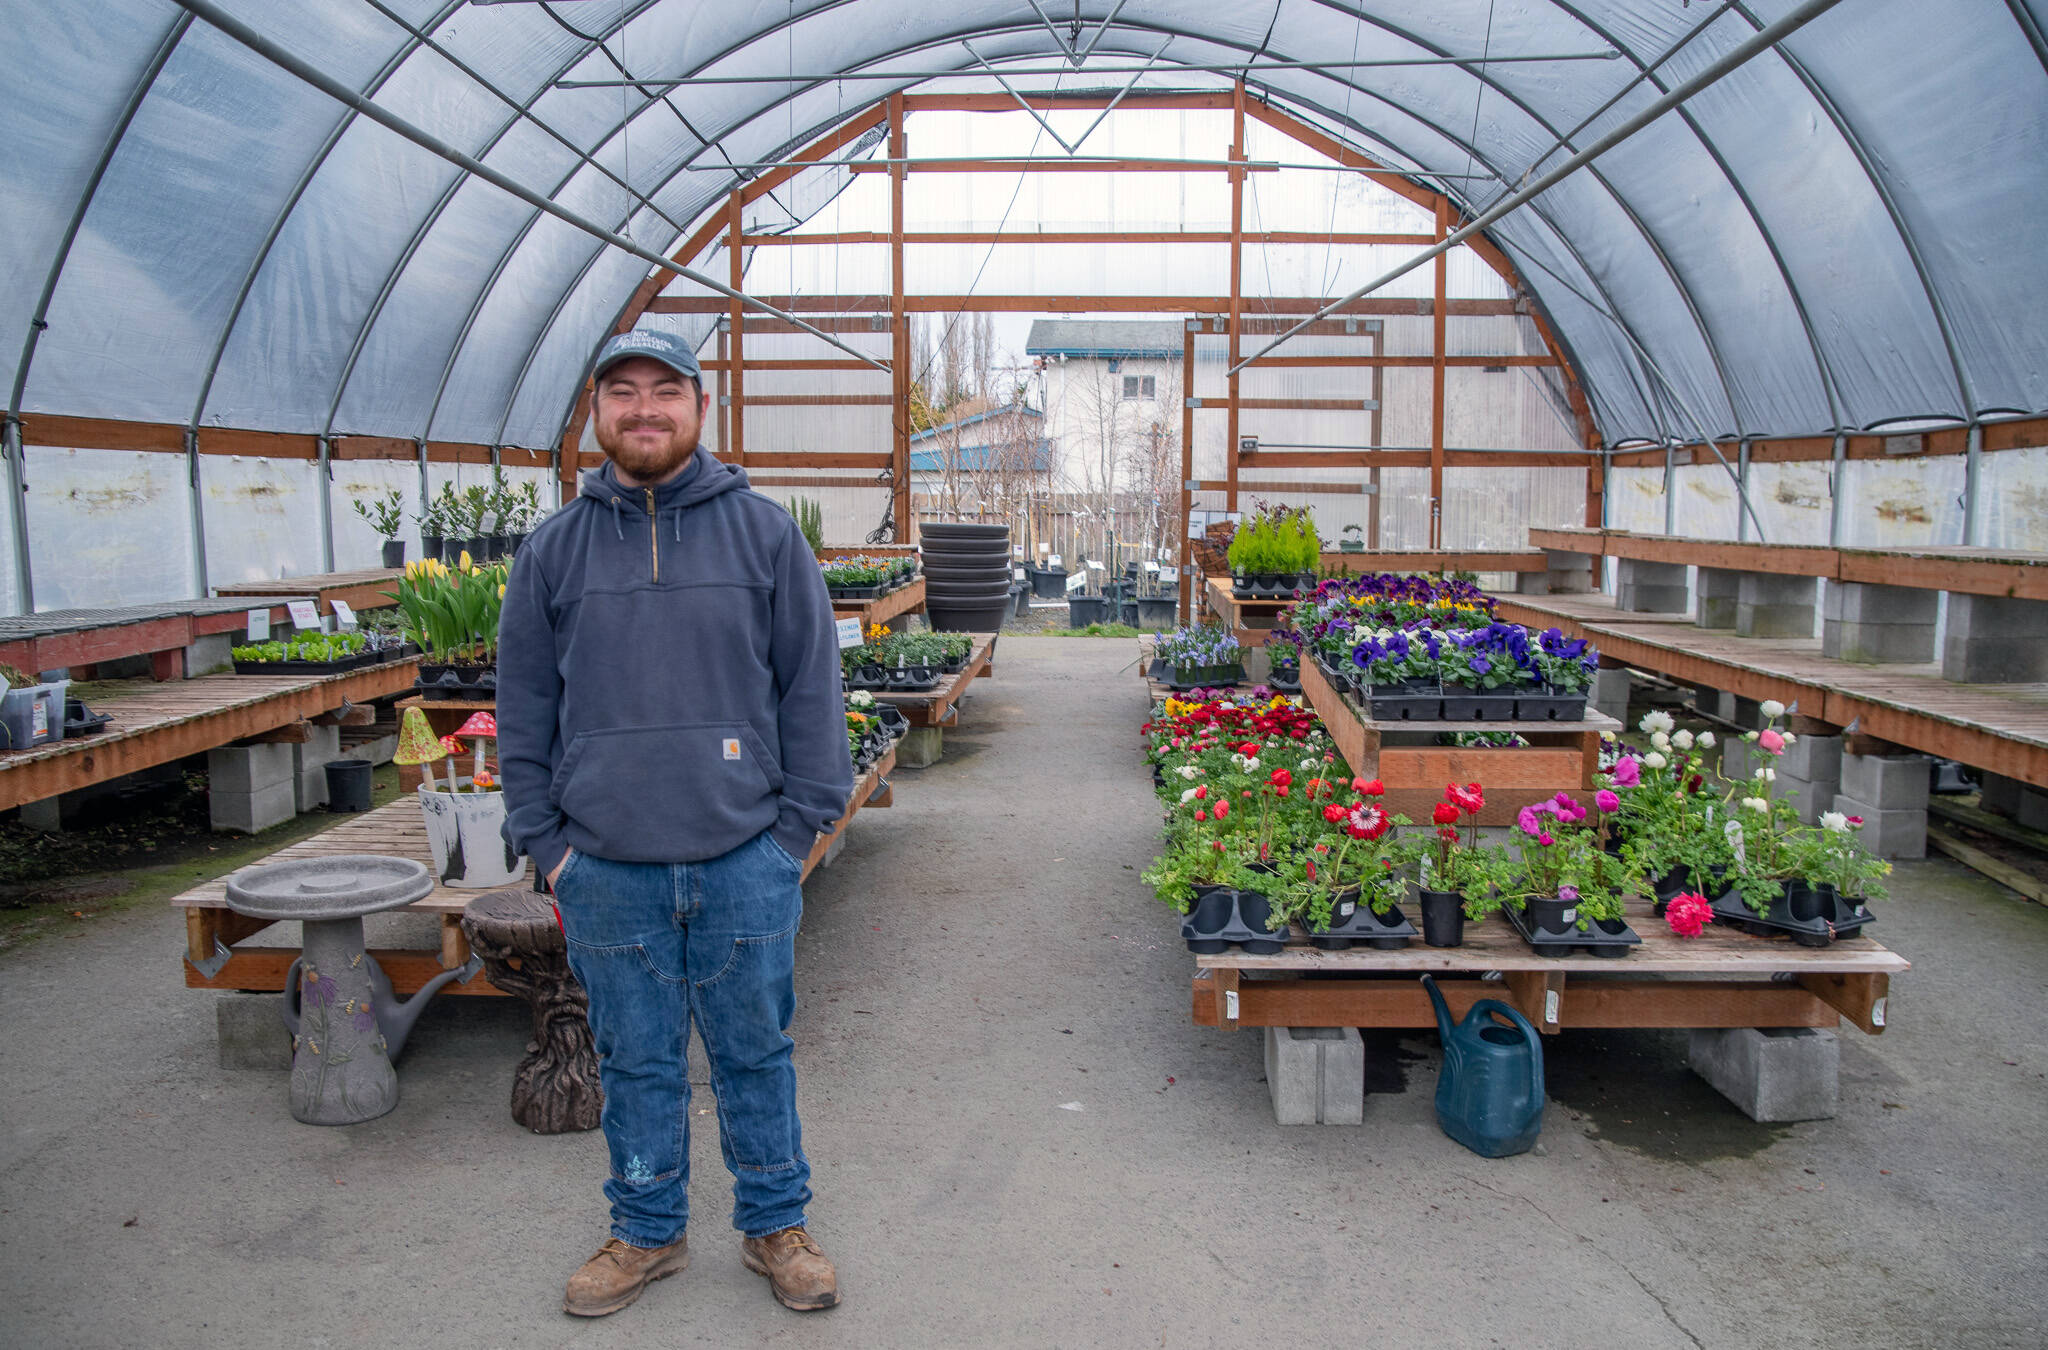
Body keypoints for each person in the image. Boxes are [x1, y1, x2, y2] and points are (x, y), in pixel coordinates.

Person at [497, 328, 854, 1318]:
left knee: (754, 1052)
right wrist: (550, 845)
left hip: (744, 855)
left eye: (665, 390)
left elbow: (811, 695)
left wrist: (791, 839)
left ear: (699, 409)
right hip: (605, 868)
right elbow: (522, 708)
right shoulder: (553, 551)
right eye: (623, 392)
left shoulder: (764, 536)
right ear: (595, 413)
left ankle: (775, 1225)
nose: (643, 408)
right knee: (634, 1058)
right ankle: (645, 1232)